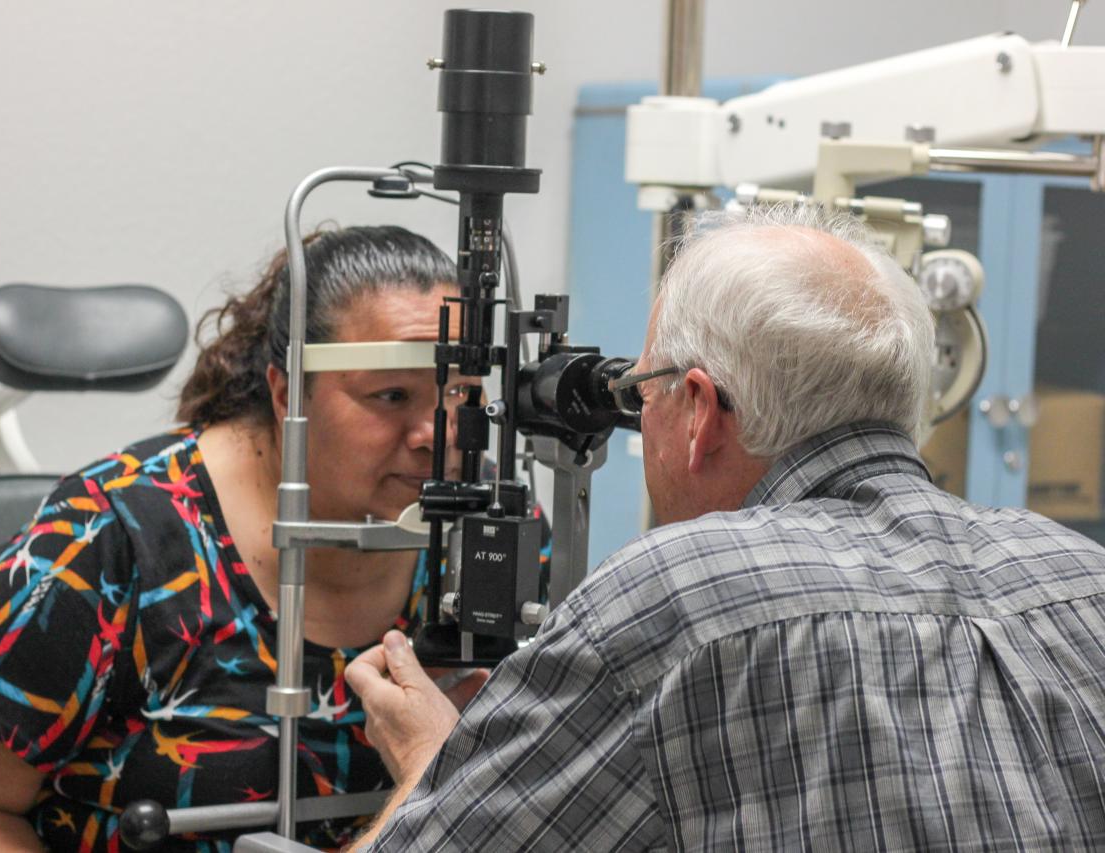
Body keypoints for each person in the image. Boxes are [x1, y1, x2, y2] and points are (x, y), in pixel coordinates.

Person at [345, 205, 1105, 850]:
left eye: (643, 392)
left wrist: (429, 759)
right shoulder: (1079, 574)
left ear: (701, 410)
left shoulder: (681, 593)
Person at [0, 225, 501, 851]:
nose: (437, 432)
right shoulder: (108, 539)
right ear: (288, 393)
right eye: (391, 394)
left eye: (461, 394)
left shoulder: (493, 535)